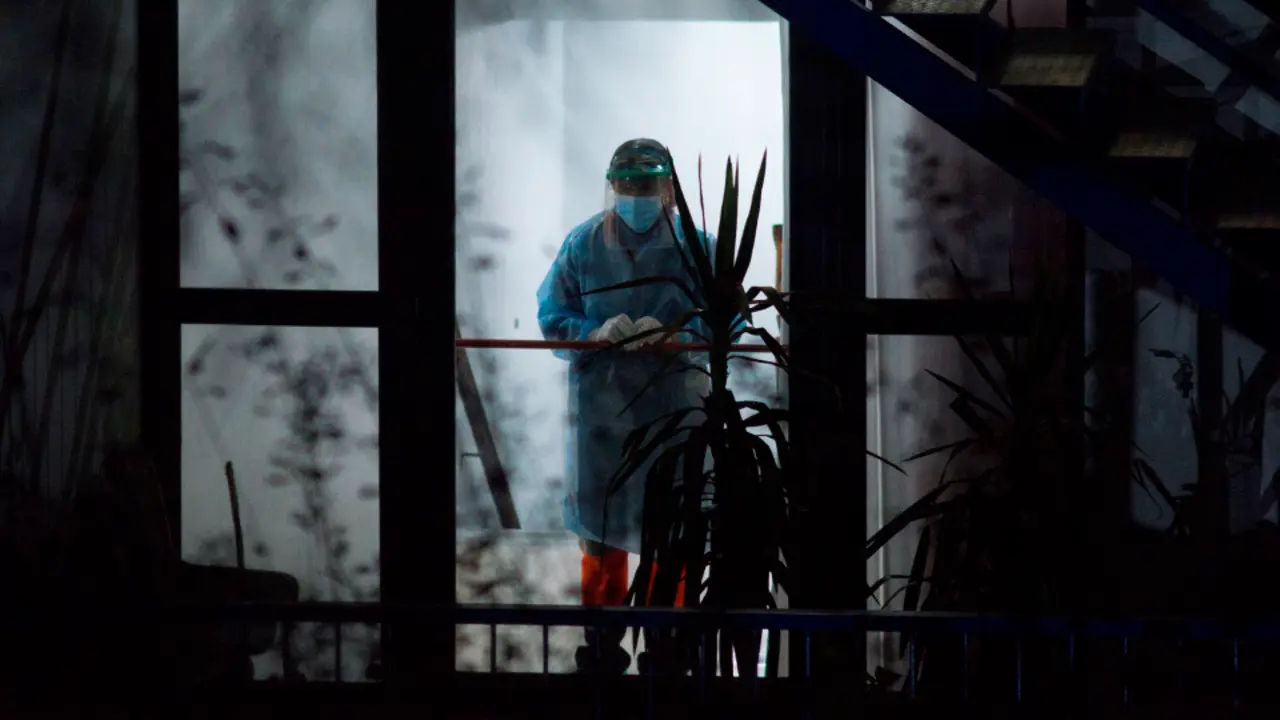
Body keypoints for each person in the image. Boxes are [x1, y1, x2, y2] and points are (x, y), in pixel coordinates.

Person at [537, 138, 705, 674]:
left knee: (669, 531)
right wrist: (595, 332)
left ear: (669, 188)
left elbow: (730, 318)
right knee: (600, 533)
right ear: (612, 185)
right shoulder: (583, 245)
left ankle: (666, 643)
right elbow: (553, 314)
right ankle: (602, 643)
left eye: (647, 183)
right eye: (627, 183)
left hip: (673, 408)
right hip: (603, 414)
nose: (636, 194)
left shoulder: (698, 246)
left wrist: (681, 333)